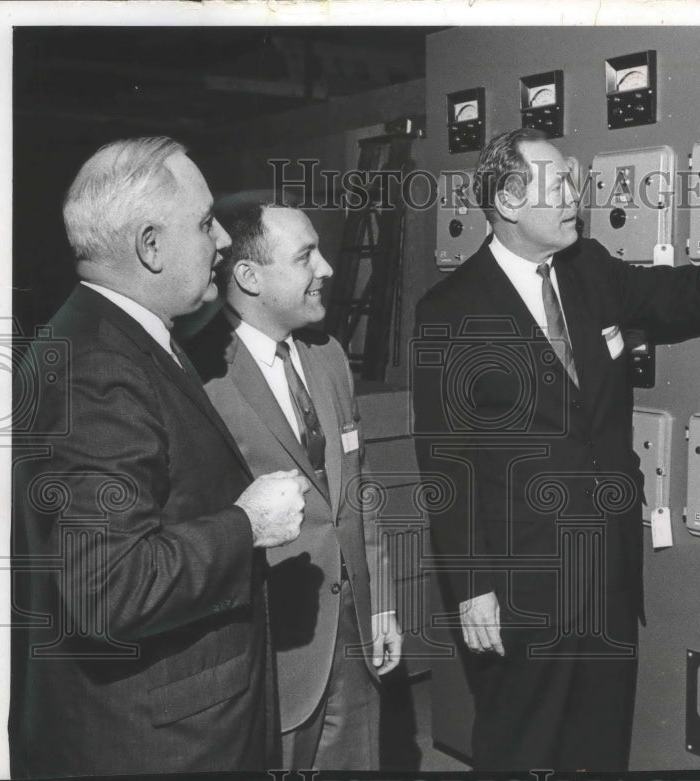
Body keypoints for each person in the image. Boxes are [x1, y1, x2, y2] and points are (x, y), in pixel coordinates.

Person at [411, 127, 700, 771]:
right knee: (521, 742)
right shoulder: (449, 311)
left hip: (608, 567)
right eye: (557, 184)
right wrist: (474, 586)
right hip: (523, 580)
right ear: (507, 204)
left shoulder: (588, 268)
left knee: (600, 739)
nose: (576, 194)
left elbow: (683, 298)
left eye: (572, 178)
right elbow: (444, 463)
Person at [9, 138, 310, 778]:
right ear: (150, 246)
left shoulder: (110, 338)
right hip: (160, 746)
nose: (224, 239)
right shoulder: (97, 369)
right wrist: (248, 525)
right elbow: (107, 591)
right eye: (204, 224)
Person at [188, 191, 402, 770]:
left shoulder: (328, 355)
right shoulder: (198, 373)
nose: (327, 270)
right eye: (307, 256)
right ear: (250, 276)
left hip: (353, 644)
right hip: (268, 655)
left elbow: (358, 487)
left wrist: (380, 603)